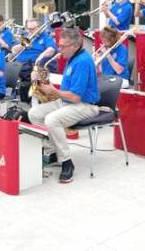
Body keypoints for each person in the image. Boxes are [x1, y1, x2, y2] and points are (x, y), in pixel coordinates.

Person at [28, 28, 100, 184]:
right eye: (58, 45)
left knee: (52, 120)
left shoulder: (82, 62)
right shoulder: (72, 57)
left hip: (86, 105)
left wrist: (53, 91)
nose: (59, 50)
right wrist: (44, 85)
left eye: (62, 46)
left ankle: (67, 162)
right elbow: (68, 91)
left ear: (75, 45)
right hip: (67, 102)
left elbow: (75, 97)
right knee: (34, 113)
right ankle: (53, 151)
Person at [10, 18, 57, 103]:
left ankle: (29, 99)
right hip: (19, 63)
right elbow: (13, 50)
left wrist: (42, 55)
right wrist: (22, 44)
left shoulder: (45, 36)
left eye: (33, 29)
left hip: (33, 63)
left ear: (39, 27)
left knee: (24, 72)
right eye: (29, 29)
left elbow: (52, 49)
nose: (31, 31)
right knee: (6, 69)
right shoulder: (26, 36)